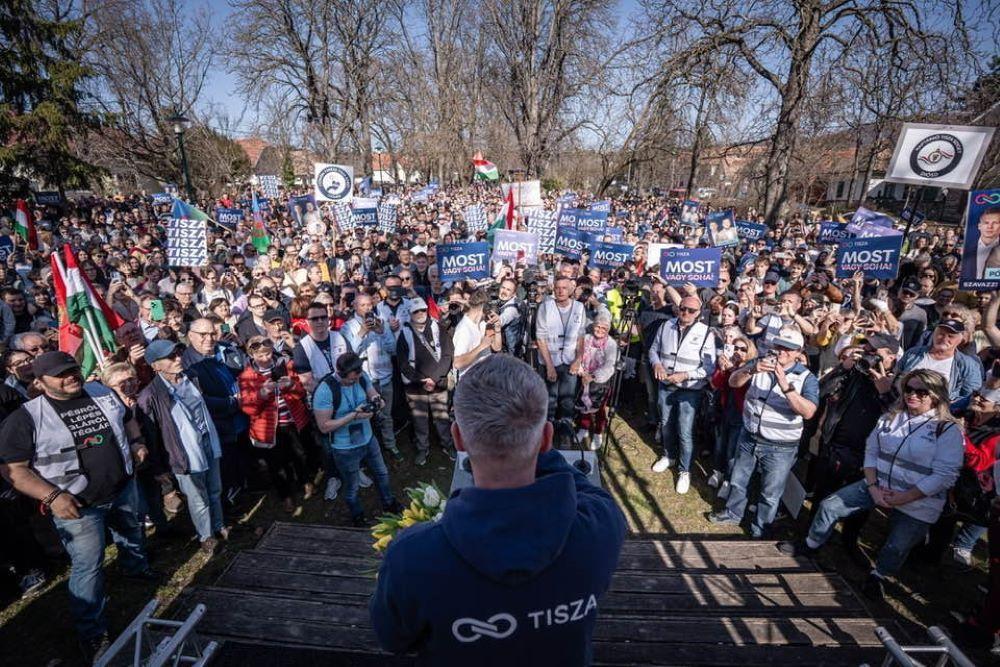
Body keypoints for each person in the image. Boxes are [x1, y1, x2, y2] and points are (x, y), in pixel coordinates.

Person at [369, 354, 626, 664]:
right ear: (547, 439)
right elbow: (580, 487)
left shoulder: (412, 557)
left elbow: (392, 639)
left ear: (459, 438)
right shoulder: (600, 526)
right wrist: (533, 444)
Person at [0, 351, 155, 663]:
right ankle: (92, 631)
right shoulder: (26, 417)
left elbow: (128, 421)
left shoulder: (102, 392)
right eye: (60, 374)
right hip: (79, 507)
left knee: (132, 530)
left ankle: (136, 569)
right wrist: (53, 497)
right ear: (40, 382)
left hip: (123, 487)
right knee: (88, 566)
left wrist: (137, 443)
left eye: (72, 369)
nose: (70, 376)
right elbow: (13, 470)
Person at [781, 370, 964, 600]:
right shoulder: (891, 416)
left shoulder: (947, 430)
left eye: (921, 392)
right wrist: (873, 488)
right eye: (908, 389)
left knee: (897, 546)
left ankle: (879, 576)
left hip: (917, 501)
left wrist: (903, 498)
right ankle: (811, 543)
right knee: (830, 506)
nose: (912, 395)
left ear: (936, 396)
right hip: (877, 486)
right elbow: (872, 452)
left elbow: (944, 476)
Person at [709, 327, 819, 537]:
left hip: (780, 447)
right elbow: (733, 382)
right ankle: (733, 513)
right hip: (749, 436)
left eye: (788, 348)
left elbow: (808, 412)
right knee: (739, 481)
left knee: (770, 493)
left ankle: (761, 528)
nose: (781, 351)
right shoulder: (759, 363)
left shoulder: (806, 378)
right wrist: (751, 370)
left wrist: (785, 386)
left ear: (799, 352)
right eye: (779, 346)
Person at [137, 340, 226, 554]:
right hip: (183, 452)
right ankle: (206, 536)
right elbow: (152, 435)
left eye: (178, 354)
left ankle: (219, 524)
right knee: (197, 497)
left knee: (214, 488)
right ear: (155, 365)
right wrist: (160, 467)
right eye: (170, 357)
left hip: (207, 440)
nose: (178, 359)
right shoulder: (151, 395)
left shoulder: (192, 378)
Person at [312, 352, 403, 526]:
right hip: (344, 448)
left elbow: (371, 391)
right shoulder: (325, 390)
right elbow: (324, 426)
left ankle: (389, 503)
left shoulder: (360, 375)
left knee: (382, 473)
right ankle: (357, 516)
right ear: (340, 373)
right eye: (351, 380)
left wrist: (377, 400)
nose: (355, 381)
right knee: (352, 487)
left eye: (357, 377)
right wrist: (354, 415)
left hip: (368, 439)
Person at [648, 295, 716, 494]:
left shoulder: (706, 333)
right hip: (666, 384)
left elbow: (709, 368)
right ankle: (669, 456)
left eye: (691, 311)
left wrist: (686, 375)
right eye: (682, 308)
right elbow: (653, 350)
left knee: (685, 431)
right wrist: (657, 364)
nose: (685, 313)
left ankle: (684, 470)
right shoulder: (666, 325)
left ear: (698, 314)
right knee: (666, 423)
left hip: (690, 389)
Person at [238, 336, 312, 513]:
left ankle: (305, 481)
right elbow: (248, 408)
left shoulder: (285, 365)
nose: (265, 358)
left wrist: (291, 385)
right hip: (269, 429)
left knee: (299, 454)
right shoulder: (247, 376)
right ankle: (286, 495)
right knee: (277, 464)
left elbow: (300, 391)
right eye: (260, 355)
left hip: (292, 420)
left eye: (268, 353)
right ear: (251, 355)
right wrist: (262, 393)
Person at [182, 318, 249, 509]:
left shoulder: (226, 349)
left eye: (212, 333)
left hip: (240, 421)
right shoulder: (188, 363)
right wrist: (233, 402)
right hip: (219, 425)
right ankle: (228, 505)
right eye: (203, 334)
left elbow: (243, 371)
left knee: (240, 462)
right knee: (225, 470)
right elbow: (199, 400)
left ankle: (241, 491)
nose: (209, 338)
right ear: (191, 336)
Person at [341, 292, 402, 461]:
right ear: (354, 306)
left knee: (386, 415)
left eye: (369, 305)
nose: (367, 308)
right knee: (364, 417)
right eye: (363, 305)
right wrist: (361, 333)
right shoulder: (348, 327)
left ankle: (390, 445)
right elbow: (348, 355)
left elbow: (393, 349)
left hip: (384, 377)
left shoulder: (380, 321)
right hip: (363, 380)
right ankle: (366, 452)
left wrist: (382, 331)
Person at [397, 297, 456, 466]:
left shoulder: (438, 328)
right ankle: (423, 448)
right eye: (416, 311)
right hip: (416, 386)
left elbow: (447, 354)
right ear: (410, 314)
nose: (420, 313)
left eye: (423, 310)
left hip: (437, 382)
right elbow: (402, 363)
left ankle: (447, 444)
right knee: (419, 418)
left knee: (441, 417)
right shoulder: (404, 333)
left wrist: (435, 378)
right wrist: (422, 380)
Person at [896, 317, 982, 409]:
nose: (944, 339)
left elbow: (970, 395)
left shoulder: (968, 365)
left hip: (937, 415)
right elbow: (897, 377)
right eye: (941, 334)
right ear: (933, 335)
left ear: (960, 340)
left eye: (950, 336)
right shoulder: (913, 354)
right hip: (903, 407)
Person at [535, 276, 586, 424]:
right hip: (549, 360)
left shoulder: (579, 308)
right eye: (557, 288)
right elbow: (541, 338)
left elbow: (580, 336)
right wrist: (550, 366)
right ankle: (547, 431)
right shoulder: (545, 307)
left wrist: (578, 360)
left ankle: (566, 429)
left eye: (564, 288)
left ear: (571, 290)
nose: (560, 291)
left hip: (570, 360)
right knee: (549, 399)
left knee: (567, 400)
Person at [573, 310, 618, 450]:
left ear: (608, 330)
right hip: (583, 376)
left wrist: (593, 376)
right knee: (583, 405)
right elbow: (577, 354)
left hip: (600, 380)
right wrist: (581, 371)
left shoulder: (611, 344)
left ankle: (598, 433)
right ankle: (584, 428)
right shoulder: (586, 338)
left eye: (603, 328)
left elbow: (610, 364)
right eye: (597, 327)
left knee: (599, 408)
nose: (599, 330)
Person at [452, 288, 502, 380]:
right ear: (484, 307)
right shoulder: (464, 330)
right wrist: (480, 347)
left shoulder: (483, 323)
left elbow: (497, 347)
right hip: (470, 384)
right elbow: (457, 363)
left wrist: (498, 328)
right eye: (489, 307)